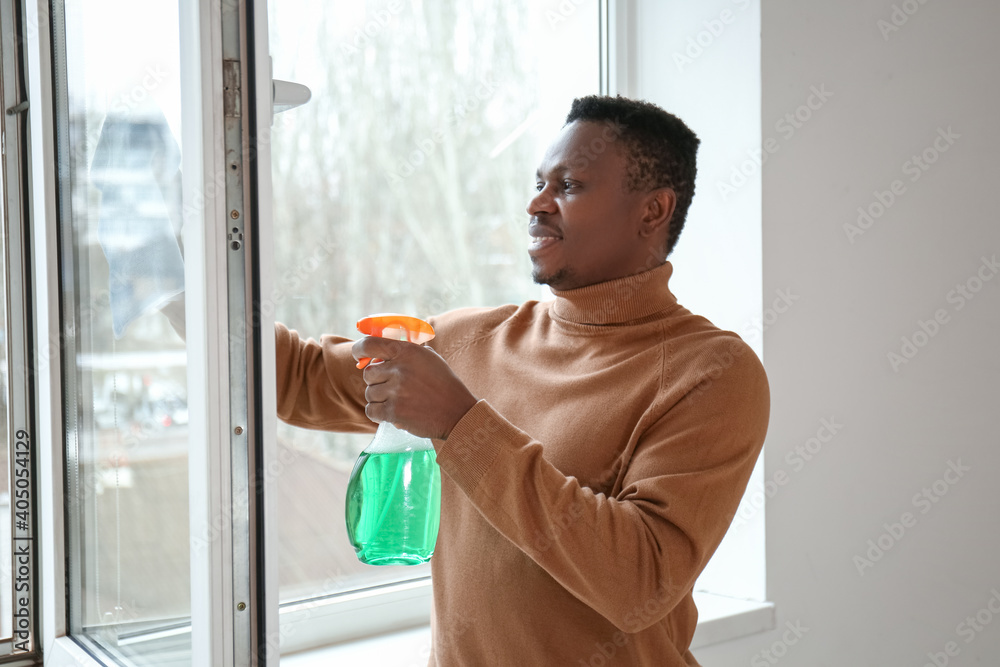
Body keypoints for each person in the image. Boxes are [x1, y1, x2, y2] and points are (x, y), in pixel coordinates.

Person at [275, 95, 770, 666]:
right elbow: (300, 378)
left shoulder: (711, 372)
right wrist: (185, 288)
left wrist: (460, 424)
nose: (536, 203)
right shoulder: (466, 342)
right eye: (539, 182)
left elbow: (642, 581)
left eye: (570, 185)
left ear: (653, 211)